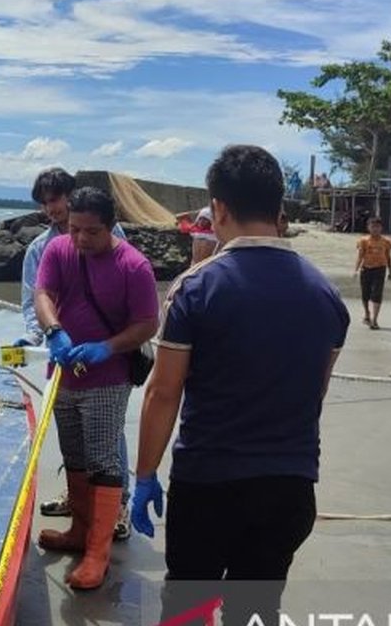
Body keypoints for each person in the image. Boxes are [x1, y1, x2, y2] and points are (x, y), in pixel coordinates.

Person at [131, 144, 349, 624]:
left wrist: (144, 475)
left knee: (189, 607)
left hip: (209, 482)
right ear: (279, 211)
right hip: (290, 486)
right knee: (256, 609)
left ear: (219, 209)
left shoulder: (196, 287)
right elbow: (316, 392)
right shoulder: (326, 294)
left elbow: (163, 392)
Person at [34, 186, 159, 589]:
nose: (81, 239)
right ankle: (78, 531)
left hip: (107, 379)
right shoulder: (57, 251)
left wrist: (107, 347)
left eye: (92, 232)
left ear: (110, 227)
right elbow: (43, 294)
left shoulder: (134, 266)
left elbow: (147, 324)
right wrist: (54, 331)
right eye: (74, 229)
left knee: (103, 459)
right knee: (73, 455)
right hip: (64, 372)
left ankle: (97, 554)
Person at [14, 168, 132, 539]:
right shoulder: (40, 249)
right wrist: (37, 337)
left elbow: (129, 293)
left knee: (109, 433)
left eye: (57, 199)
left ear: (72, 195)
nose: (52, 208)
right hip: (64, 355)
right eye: (45, 202)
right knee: (73, 433)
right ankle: (79, 503)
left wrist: (112, 344)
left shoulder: (112, 237)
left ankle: (119, 507)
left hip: (104, 355)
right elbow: (34, 299)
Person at [355, 216, 391, 329]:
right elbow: (360, 256)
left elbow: (388, 257)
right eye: (372, 226)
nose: (375, 229)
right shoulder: (363, 241)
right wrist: (356, 270)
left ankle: (375, 320)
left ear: (381, 228)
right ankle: (367, 313)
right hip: (366, 269)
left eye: (377, 227)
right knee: (365, 294)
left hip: (380, 269)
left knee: (377, 294)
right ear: (368, 228)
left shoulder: (386, 242)